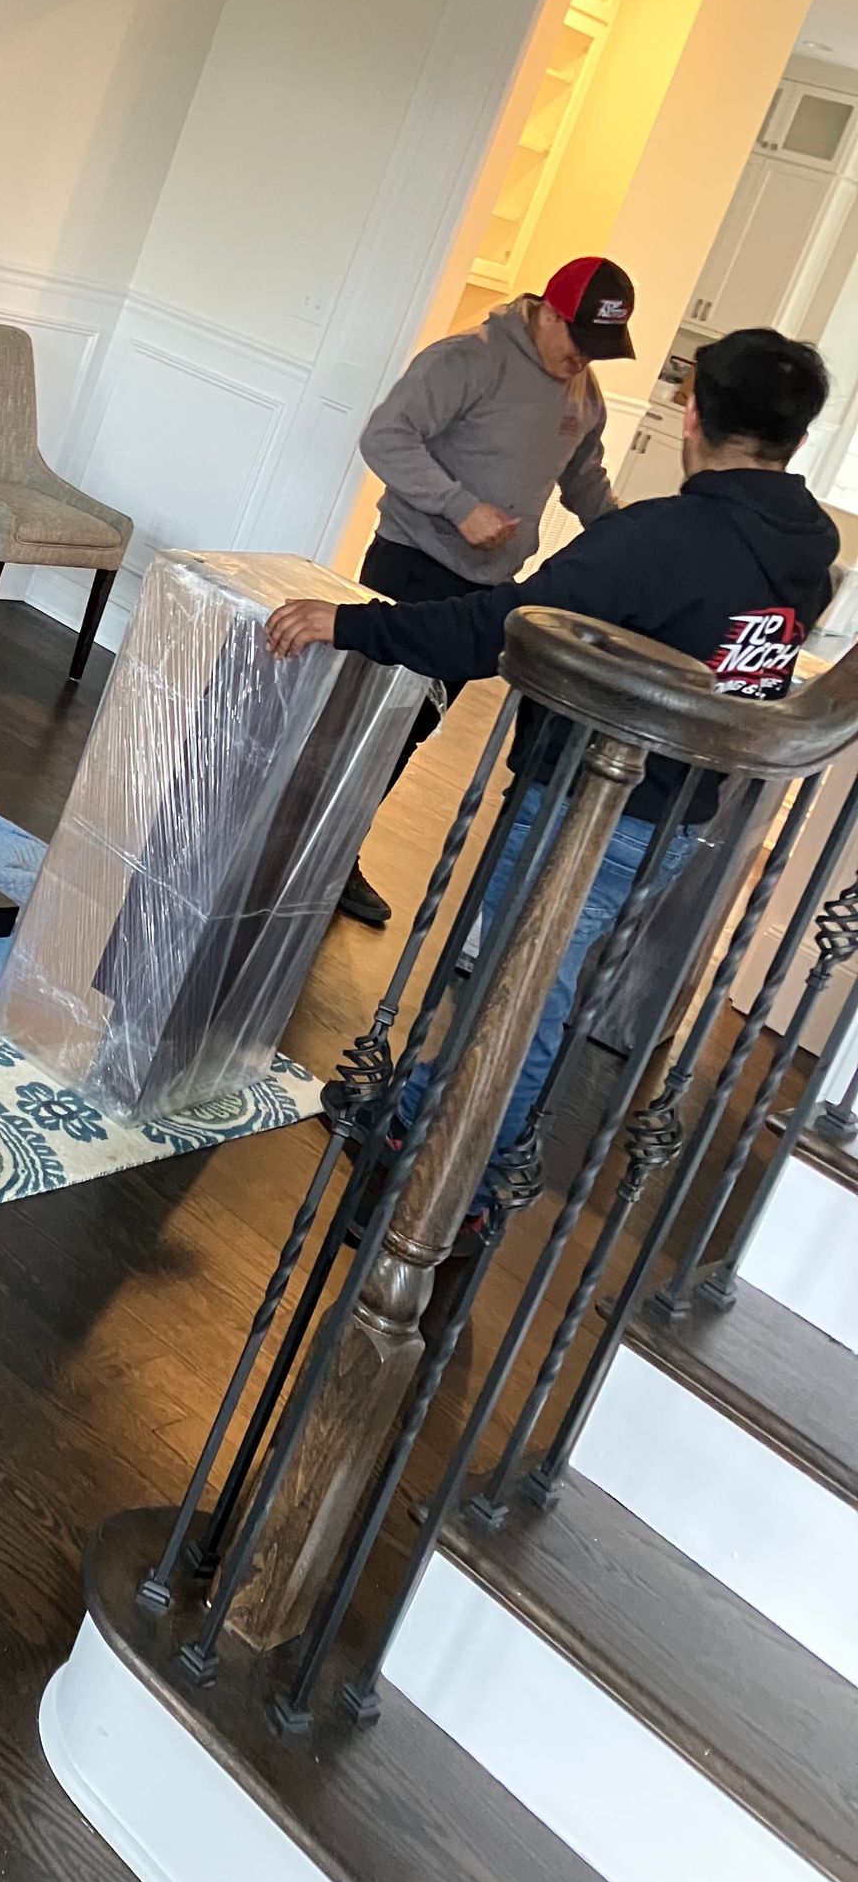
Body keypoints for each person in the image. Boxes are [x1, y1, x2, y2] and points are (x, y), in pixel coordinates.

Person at [269, 325, 838, 1206]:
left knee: (521, 990)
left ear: (692, 413)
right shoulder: (812, 554)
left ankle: (471, 1174)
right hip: (681, 815)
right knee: (530, 981)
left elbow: (496, 627)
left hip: (586, 803)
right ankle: (417, 1112)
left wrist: (349, 623)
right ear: (798, 437)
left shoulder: (662, 538)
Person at [338, 255, 636, 929]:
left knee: (413, 730)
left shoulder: (583, 396)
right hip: (412, 565)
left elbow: (585, 482)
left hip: (485, 591)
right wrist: (458, 505)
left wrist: (635, 536)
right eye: (578, 340)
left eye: (599, 349)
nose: (583, 359)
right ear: (550, 313)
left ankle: (335, 852)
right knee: (369, 720)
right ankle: (310, 849)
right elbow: (384, 437)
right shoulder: (467, 360)